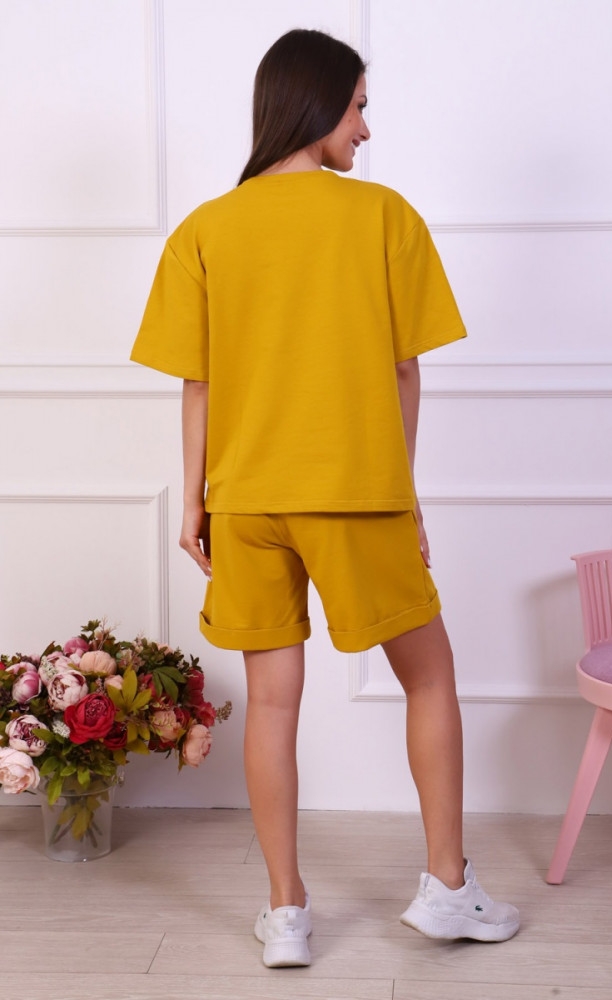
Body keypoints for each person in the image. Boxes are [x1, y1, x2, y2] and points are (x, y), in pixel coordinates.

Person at [131, 27, 519, 968]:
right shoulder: (383, 216)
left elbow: (198, 382)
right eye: (358, 109)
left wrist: (197, 502)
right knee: (430, 675)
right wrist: (404, 494)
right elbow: (405, 370)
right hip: (355, 494)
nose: (366, 131)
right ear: (315, 104)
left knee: (272, 704)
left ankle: (287, 914)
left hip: (246, 499)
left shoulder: (206, 229)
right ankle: (448, 889)